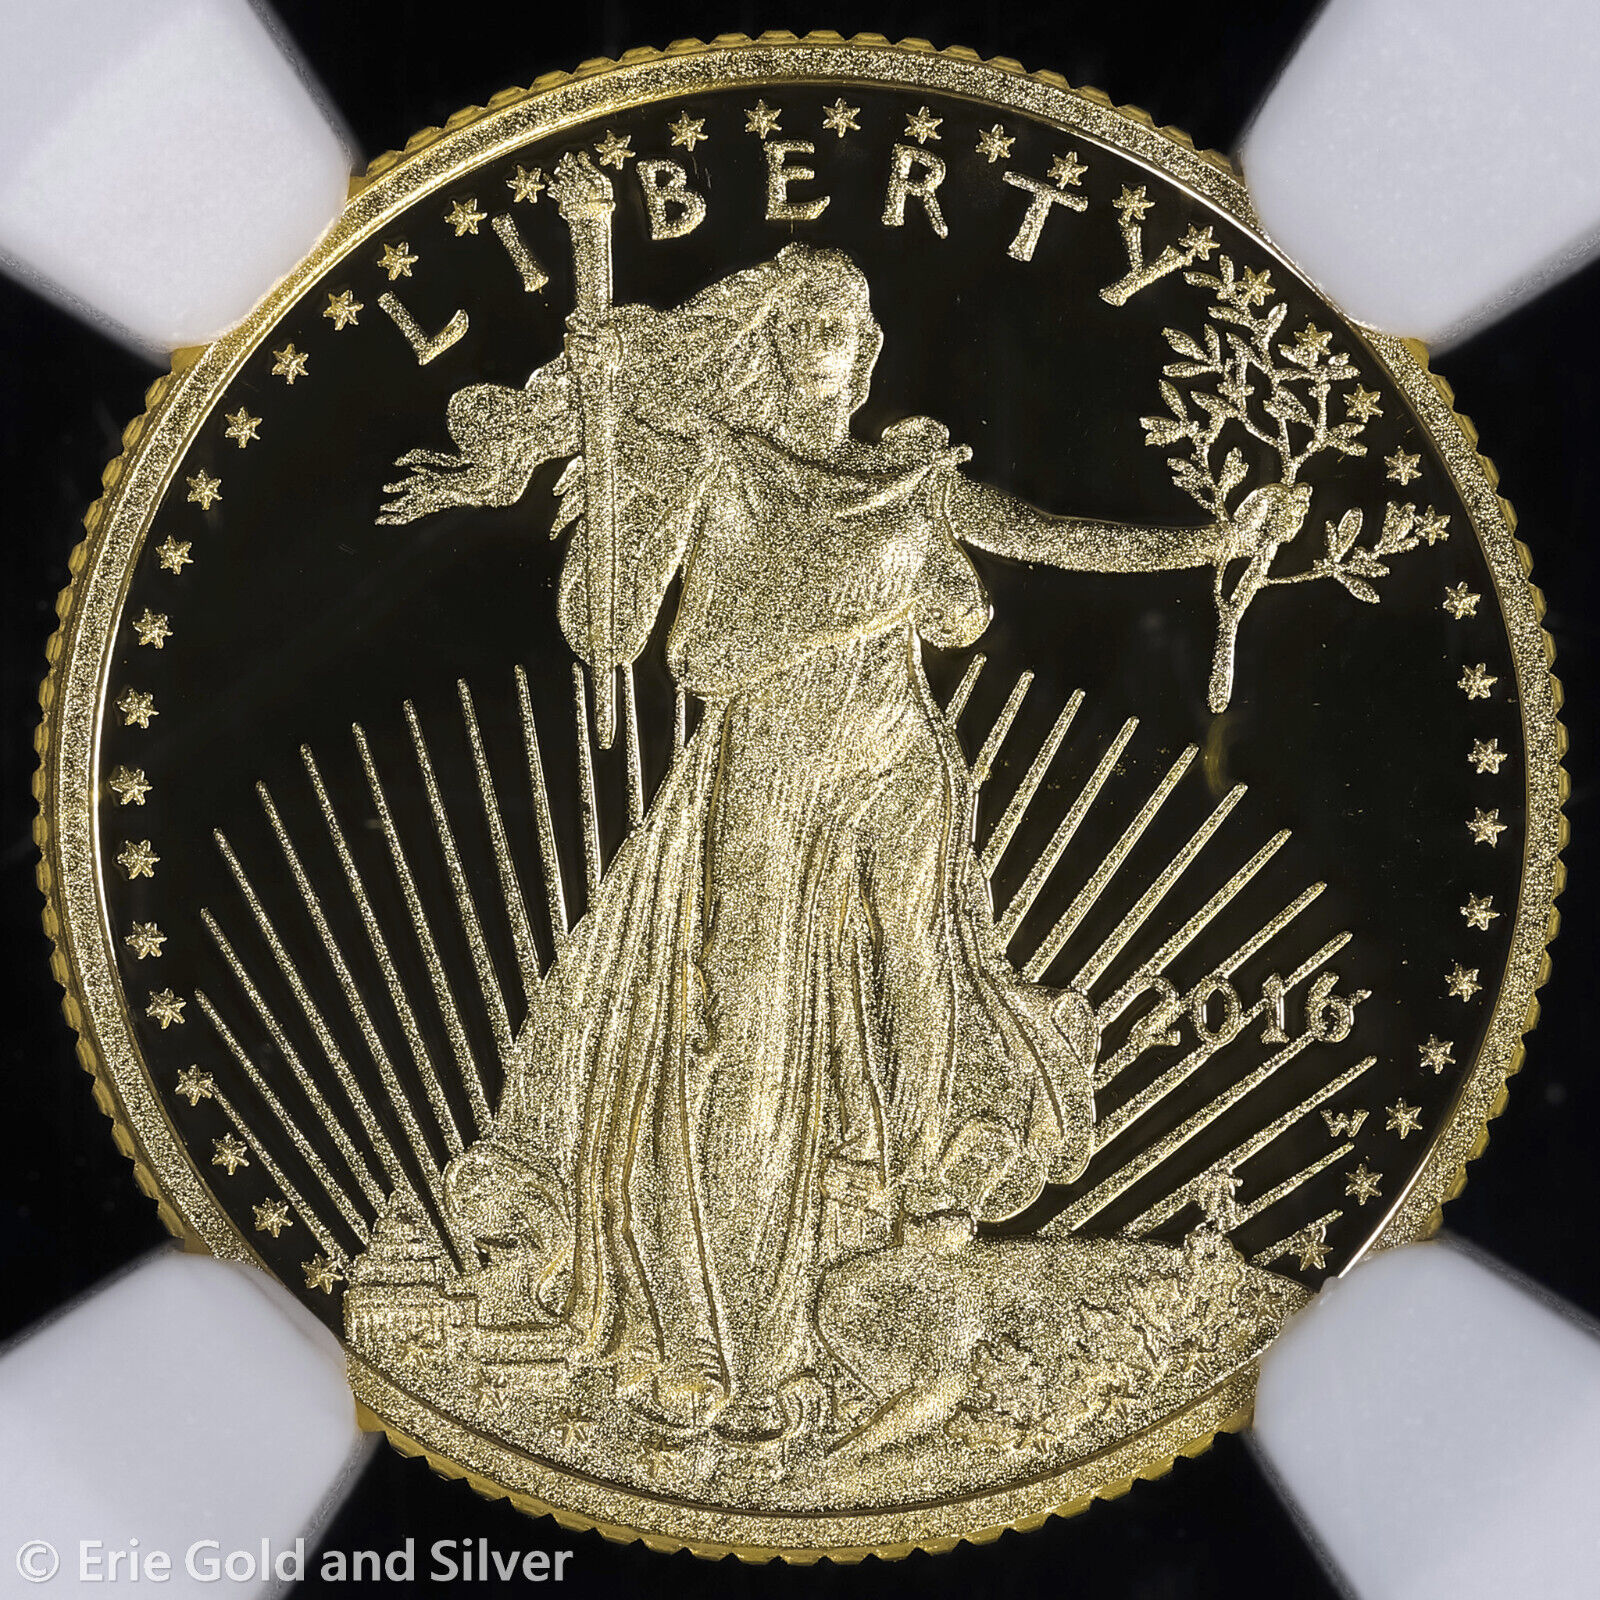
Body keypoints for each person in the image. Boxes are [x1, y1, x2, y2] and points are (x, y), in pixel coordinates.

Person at [377, 243, 1304, 1439]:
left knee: (920, 993)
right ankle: (726, 1338)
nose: (854, 348)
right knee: (749, 1040)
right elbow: (611, 633)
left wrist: (1214, 541)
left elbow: (1052, 537)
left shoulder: (908, 476)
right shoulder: (712, 461)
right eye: (822, 326)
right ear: (767, 345)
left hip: (899, 767)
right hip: (766, 778)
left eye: (860, 328)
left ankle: (905, 1256)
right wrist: (620, 463)